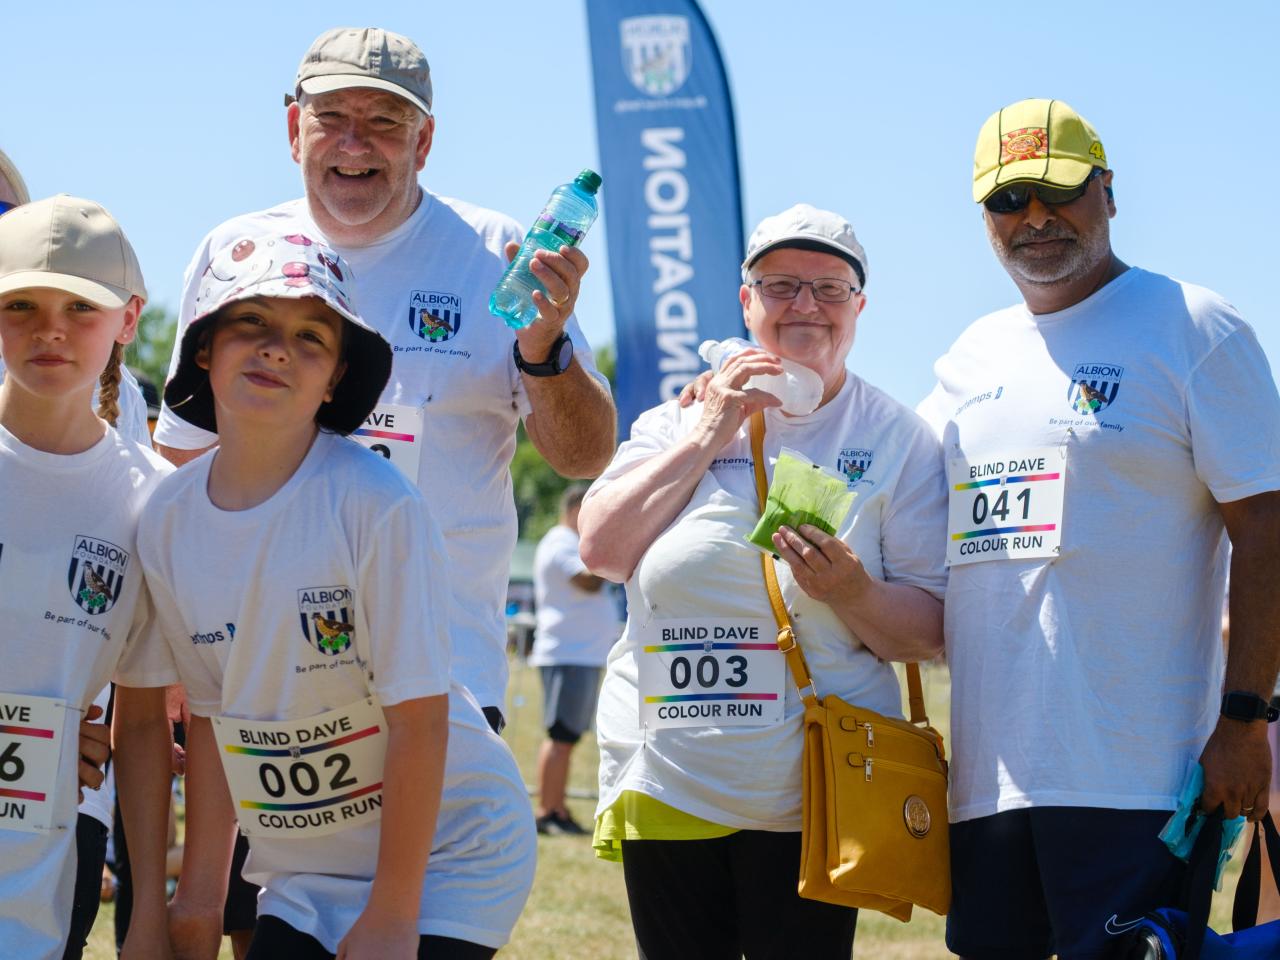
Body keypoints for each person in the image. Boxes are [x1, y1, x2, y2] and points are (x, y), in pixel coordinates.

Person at [150, 26, 616, 734]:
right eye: (331, 119)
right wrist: (178, 648)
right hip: (260, 673)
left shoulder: (499, 253)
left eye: (384, 123)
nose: (355, 143)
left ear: (423, 142)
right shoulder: (234, 253)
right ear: (292, 130)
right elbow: (180, 463)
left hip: (446, 676)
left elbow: (585, 458)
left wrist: (544, 347)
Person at [916, 98, 1280, 960]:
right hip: (988, 783)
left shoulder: (1194, 325)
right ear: (985, 219)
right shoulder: (970, 357)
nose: (1035, 217)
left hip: (1140, 774)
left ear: (1108, 192)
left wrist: (1243, 721)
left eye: (1059, 190)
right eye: (1009, 200)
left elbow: (1266, 532)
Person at [141, 230, 534, 959]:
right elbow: (211, 718)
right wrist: (197, 898)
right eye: (250, 323)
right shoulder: (165, 520)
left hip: (447, 853)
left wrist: (392, 914)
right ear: (204, 348)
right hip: (305, 863)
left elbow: (420, 724)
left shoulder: (375, 504)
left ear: (336, 379)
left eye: (310, 337)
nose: (277, 348)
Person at [578, 204, 947, 959]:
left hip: (812, 785)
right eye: (781, 286)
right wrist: (708, 431)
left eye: (829, 289)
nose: (805, 305)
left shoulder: (897, 439)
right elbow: (602, 550)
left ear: (859, 309)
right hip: (671, 770)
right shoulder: (673, 421)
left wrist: (853, 594)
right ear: (746, 303)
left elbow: (932, 632)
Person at [0, 194, 177, 958]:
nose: (50, 329)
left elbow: (140, 725)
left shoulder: (152, 500)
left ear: (129, 320)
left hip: (31, 893)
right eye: (20, 304)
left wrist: (148, 918)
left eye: (81, 306)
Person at [529, 484, 622, 836]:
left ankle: (557, 808)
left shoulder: (567, 541)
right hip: (568, 652)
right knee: (560, 735)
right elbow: (589, 582)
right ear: (575, 510)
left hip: (579, 653)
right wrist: (611, 545)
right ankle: (548, 810)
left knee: (567, 737)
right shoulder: (560, 542)